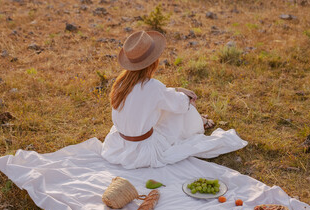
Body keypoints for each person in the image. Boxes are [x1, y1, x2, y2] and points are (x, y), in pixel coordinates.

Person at [101, 31, 247, 169]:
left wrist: (177, 90)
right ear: (153, 62)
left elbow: (155, 96)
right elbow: (179, 104)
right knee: (183, 107)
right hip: (144, 152)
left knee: (168, 104)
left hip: (119, 146)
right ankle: (200, 121)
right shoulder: (153, 87)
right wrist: (187, 97)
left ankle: (200, 119)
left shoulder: (120, 83)